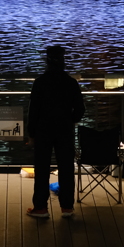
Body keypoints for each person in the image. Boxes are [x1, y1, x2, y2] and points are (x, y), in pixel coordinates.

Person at [26, 45, 85, 219]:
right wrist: (70, 120)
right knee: (66, 168)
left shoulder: (40, 82)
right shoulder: (70, 83)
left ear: (47, 61)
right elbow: (80, 109)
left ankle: (41, 207)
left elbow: (33, 110)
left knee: (42, 168)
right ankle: (67, 207)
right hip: (65, 130)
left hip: (43, 130)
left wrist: (31, 132)